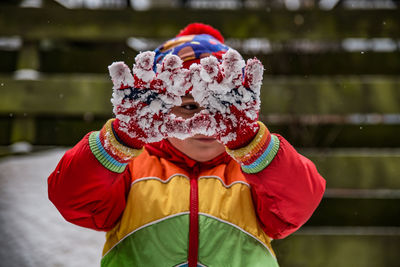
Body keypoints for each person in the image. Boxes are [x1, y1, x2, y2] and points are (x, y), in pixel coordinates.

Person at [48, 23, 326, 267]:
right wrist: (119, 141)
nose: (203, 119)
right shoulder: (131, 169)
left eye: (218, 105)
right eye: (189, 105)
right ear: (158, 106)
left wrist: (252, 144)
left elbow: (299, 202)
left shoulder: (251, 173)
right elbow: (72, 199)